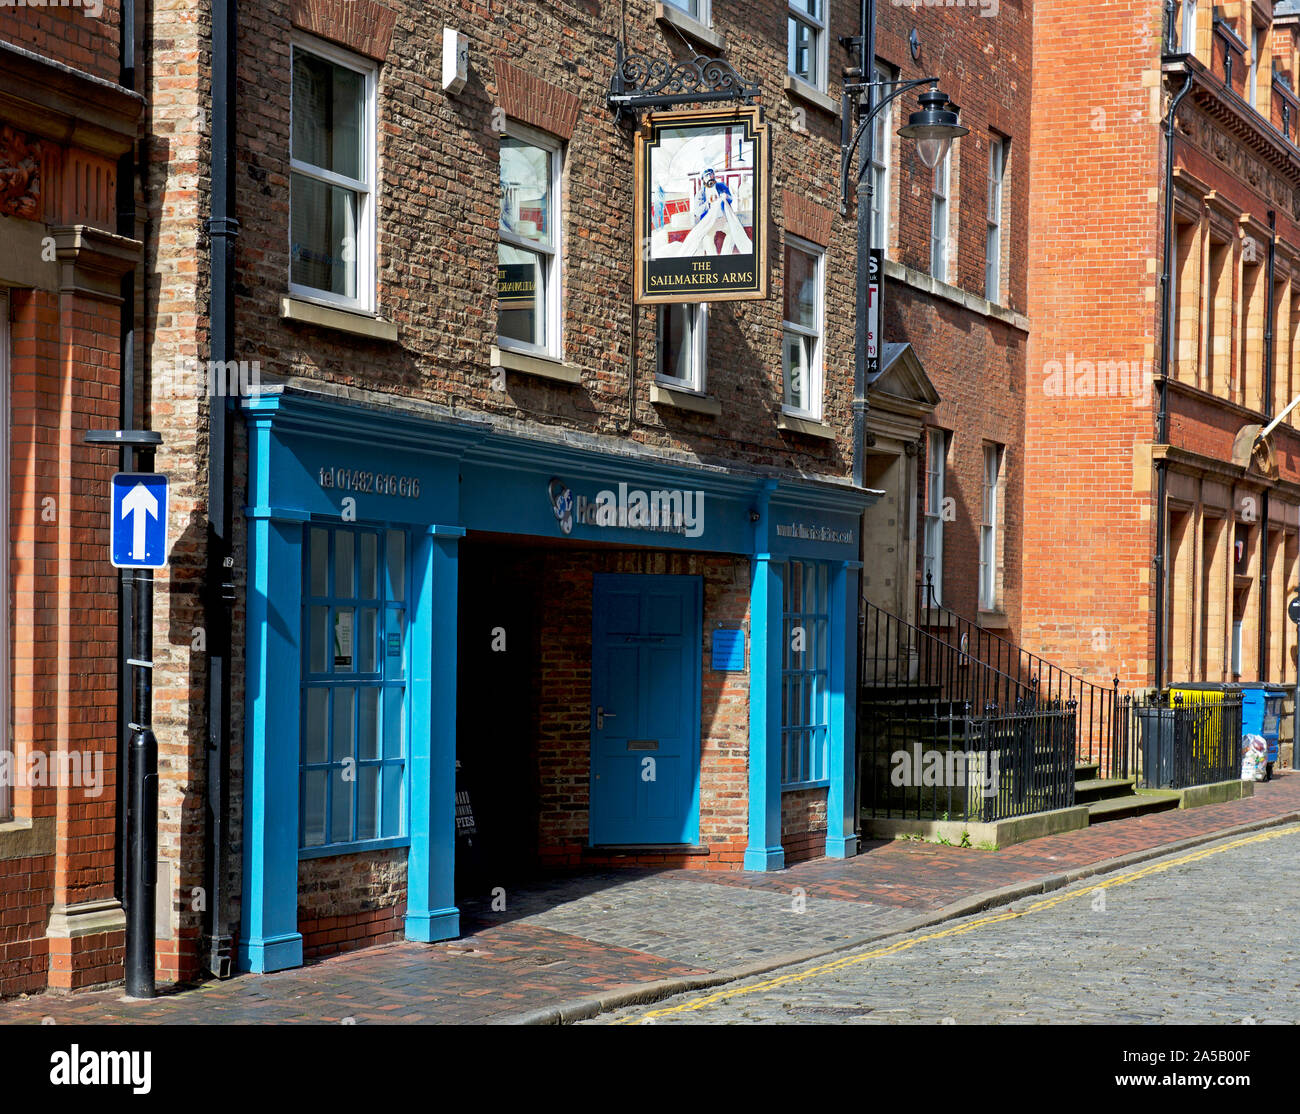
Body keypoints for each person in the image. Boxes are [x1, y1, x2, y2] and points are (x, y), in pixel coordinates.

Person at [674, 167, 752, 257]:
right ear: (703, 179)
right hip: (709, 222)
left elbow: (731, 199)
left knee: (732, 233)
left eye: (711, 174)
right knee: (707, 238)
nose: (710, 177)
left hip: (723, 219)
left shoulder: (721, 187)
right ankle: (713, 258)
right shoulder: (700, 194)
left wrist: (726, 196)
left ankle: (725, 256)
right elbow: (698, 211)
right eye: (707, 175)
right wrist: (708, 204)